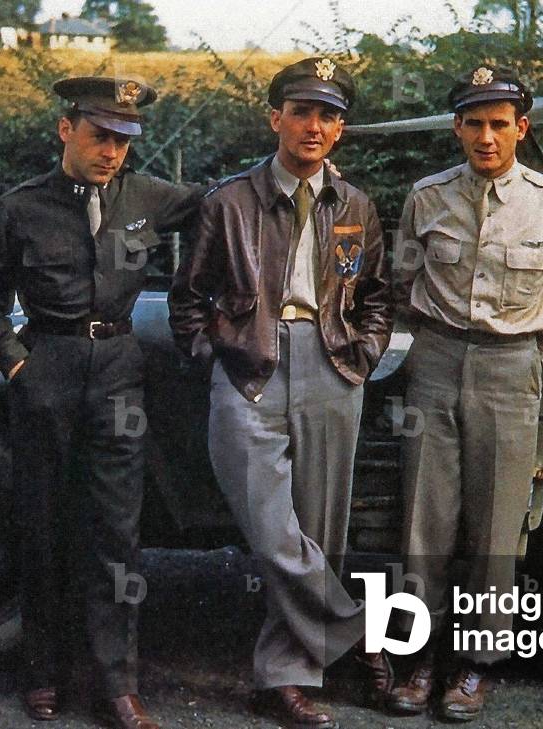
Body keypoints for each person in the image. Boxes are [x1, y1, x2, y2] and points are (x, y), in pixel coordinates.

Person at [0, 75, 204, 729]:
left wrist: (196, 298)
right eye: (100, 136)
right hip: (49, 367)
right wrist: (19, 364)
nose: (112, 153)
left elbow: (221, 211)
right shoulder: (19, 208)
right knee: (42, 525)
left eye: (125, 141)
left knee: (117, 535)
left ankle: (116, 685)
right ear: (66, 130)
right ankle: (42, 673)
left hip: (120, 373)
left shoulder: (151, 196)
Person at [168, 57, 395, 729]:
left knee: (318, 532)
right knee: (273, 532)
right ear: (276, 118)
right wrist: (216, 353)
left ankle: (285, 677)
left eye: (328, 115)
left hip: (331, 366)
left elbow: (376, 295)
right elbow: (188, 298)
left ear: (340, 130)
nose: (314, 126)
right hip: (252, 369)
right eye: (301, 111)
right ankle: (367, 635)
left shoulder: (354, 206)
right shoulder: (230, 200)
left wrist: (364, 355)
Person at [388, 66, 543, 721]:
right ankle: (418, 659)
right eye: (473, 123)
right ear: (457, 128)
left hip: (511, 366)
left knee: (496, 524)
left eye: (499, 123)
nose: (486, 135)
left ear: (521, 129)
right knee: (425, 519)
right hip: (436, 357)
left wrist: (529, 350)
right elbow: (399, 285)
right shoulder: (426, 197)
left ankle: (474, 666)